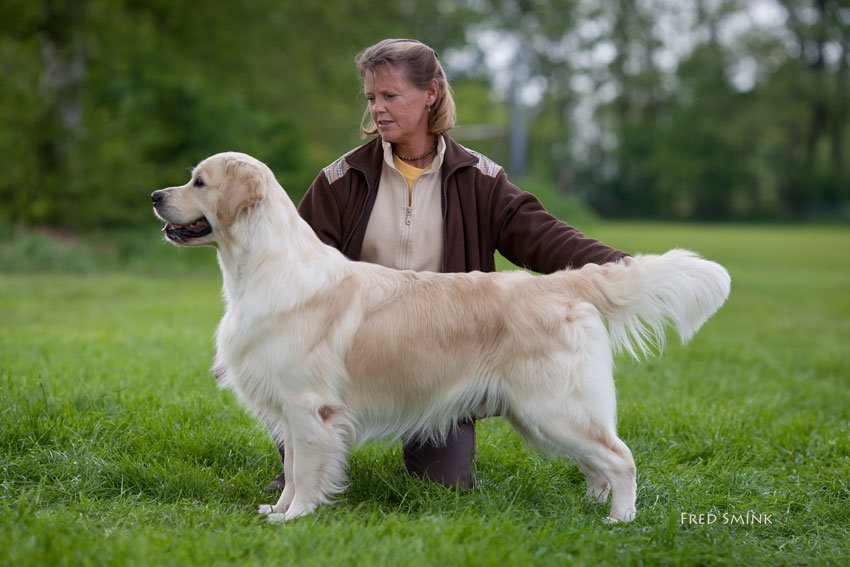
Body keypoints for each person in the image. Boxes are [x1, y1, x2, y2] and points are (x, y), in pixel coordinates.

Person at [264, 38, 629, 492]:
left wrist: (622, 269)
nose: (377, 109)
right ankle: (302, 474)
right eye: (371, 98)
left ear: (431, 93)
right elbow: (286, 269)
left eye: (391, 96)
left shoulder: (480, 178)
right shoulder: (340, 179)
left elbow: (542, 237)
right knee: (300, 404)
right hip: (355, 357)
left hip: (444, 360)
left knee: (446, 486)